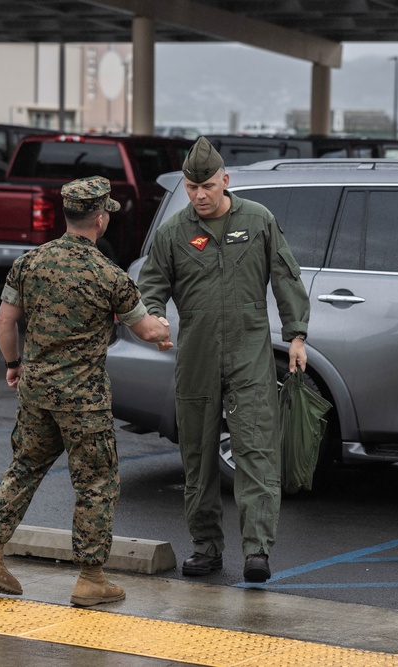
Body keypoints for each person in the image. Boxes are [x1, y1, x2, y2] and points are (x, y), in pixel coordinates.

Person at [0, 176, 173, 607]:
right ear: (100, 218)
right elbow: (147, 328)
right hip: (84, 400)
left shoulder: (30, 262)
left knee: (24, 468)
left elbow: (4, 322)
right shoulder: (107, 274)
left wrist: (13, 364)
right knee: (96, 482)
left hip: (37, 391)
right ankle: (91, 577)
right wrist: (163, 330)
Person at [137, 136, 310, 583]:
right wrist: (152, 317)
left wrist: (296, 335)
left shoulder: (258, 220)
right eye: (192, 187)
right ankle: (206, 547)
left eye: (208, 186)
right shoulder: (174, 232)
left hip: (250, 355)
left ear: (225, 180)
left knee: (255, 450)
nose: (200, 195)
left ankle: (257, 551)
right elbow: (151, 284)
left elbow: (285, 276)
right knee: (197, 456)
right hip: (195, 356)